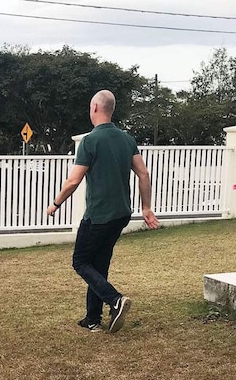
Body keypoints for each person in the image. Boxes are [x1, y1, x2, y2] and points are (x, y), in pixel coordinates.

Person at [46, 90, 159, 334]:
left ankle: (115, 300)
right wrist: (146, 207)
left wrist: (55, 204)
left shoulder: (90, 141)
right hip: (121, 214)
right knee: (98, 265)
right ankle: (93, 318)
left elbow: (73, 181)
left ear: (95, 108)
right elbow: (144, 173)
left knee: (81, 261)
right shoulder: (126, 139)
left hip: (98, 215)